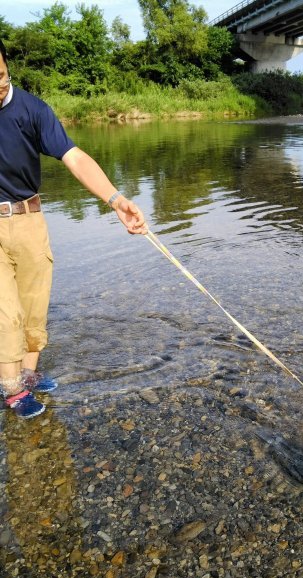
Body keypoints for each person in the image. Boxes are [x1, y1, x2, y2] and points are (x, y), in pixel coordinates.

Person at [0, 39, 148, 418]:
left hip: (28, 218)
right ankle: (11, 388)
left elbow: (75, 157)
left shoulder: (32, 109)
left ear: (6, 66)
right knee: (4, 312)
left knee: (34, 304)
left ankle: (28, 375)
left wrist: (116, 200)